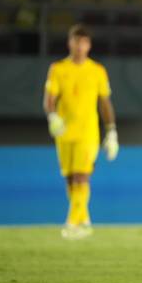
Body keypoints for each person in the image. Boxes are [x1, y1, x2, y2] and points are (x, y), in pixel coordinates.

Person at [43, 24, 118, 239]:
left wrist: (111, 131)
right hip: (64, 133)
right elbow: (49, 99)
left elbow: (104, 102)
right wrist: (52, 116)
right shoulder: (57, 69)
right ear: (70, 43)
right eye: (76, 42)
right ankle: (84, 218)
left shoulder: (97, 70)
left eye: (83, 43)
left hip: (88, 133)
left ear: (89, 45)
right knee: (69, 178)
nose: (79, 46)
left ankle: (72, 223)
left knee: (81, 176)